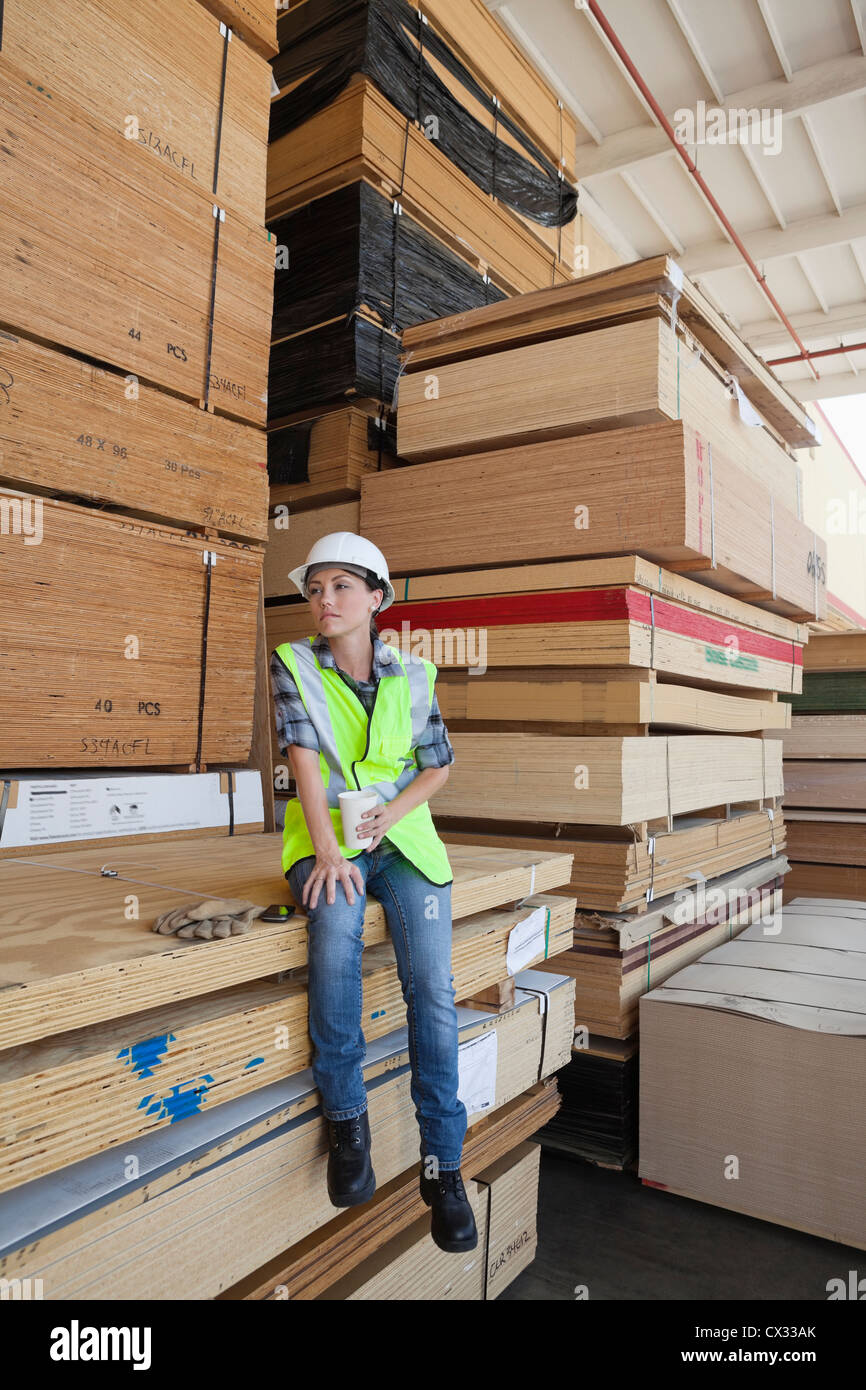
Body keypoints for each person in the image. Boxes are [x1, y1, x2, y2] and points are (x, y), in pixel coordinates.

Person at [269, 531, 476, 1254]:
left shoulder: (415, 677)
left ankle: (444, 1165)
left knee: (433, 988)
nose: (324, 601)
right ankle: (348, 1122)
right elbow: (303, 761)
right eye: (315, 588)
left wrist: (394, 813)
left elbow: (438, 766)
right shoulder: (293, 663)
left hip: (403, 841)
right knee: (334, 944)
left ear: (376, 599)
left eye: (341, 587)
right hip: (326, 843)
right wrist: (329, 851)